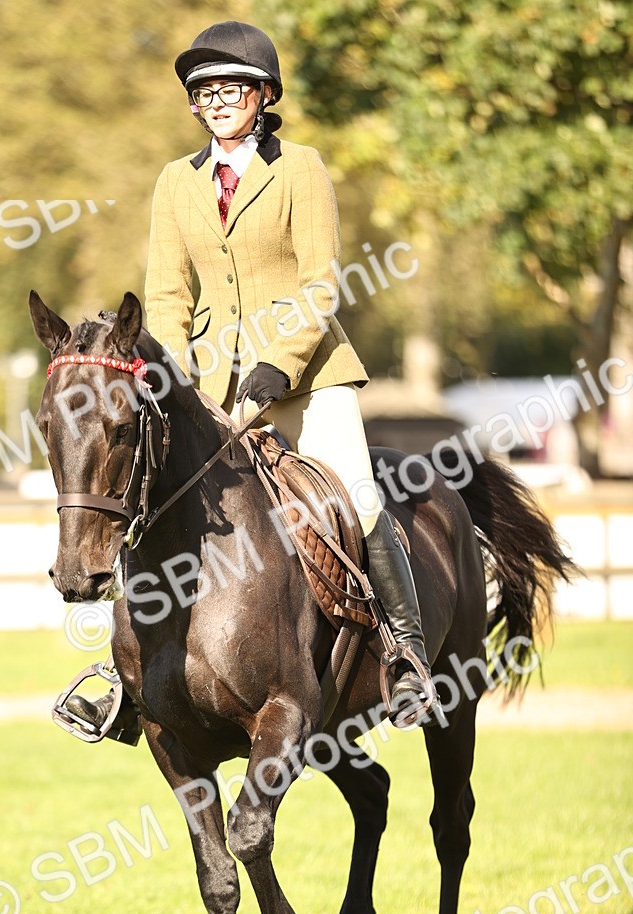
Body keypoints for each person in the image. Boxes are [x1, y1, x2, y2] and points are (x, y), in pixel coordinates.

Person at [65, 20, 438, 738]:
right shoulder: (176, 182)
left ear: (263, 95)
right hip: (208, 382)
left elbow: (321, 282)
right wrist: (166, 378)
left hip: (307, 377)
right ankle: (127, 675)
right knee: (151, 500)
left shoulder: (300, 166)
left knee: (357, 501)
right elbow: (167, 295)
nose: (220, 99)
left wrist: (278, 363)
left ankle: (406, 656)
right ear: (194, 105)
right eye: (205, 91)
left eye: (233, 87)